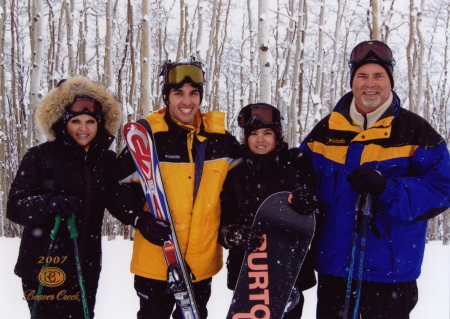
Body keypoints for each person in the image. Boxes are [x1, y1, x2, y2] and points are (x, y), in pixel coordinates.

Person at [299, 40, 450, 318]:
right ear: (352, 82)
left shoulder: (415, 131)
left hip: (390, 274)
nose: (371, 84)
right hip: (335, 271)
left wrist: (388, 188)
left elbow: (443, 188)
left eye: (379, 75)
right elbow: (297, 176)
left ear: (390, 81)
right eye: (362, 76)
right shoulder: (326, 130)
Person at [112, 57, 242, 319]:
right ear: (167, 97)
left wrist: (230, 227)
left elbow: (238, 193)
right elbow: (115, 191)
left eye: (194, 93)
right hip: (155, 260)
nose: (187, 101)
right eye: (178, 93)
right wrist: (140, 220)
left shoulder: (221, 141)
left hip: (200, 263)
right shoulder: (148, 137)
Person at [7, 76, 122, 319]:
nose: (84, 128)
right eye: (76, 121)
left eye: (90, 121)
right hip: (44, 263)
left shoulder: (105, 161)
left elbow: (119, 202)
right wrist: (49, 203)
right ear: (62, 123)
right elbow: (15, 207)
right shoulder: (39, 156)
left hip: (85, 266)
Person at [219, 103, 318, 318]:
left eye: (267, 133)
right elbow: (222, 223)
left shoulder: (296, 166)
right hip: (250, 272)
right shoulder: (235, 174)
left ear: (277, 136)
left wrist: (308, 204)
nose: (260, 139)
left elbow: (316, 211)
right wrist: (234, 235)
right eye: (254, 133)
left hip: (290, 267)